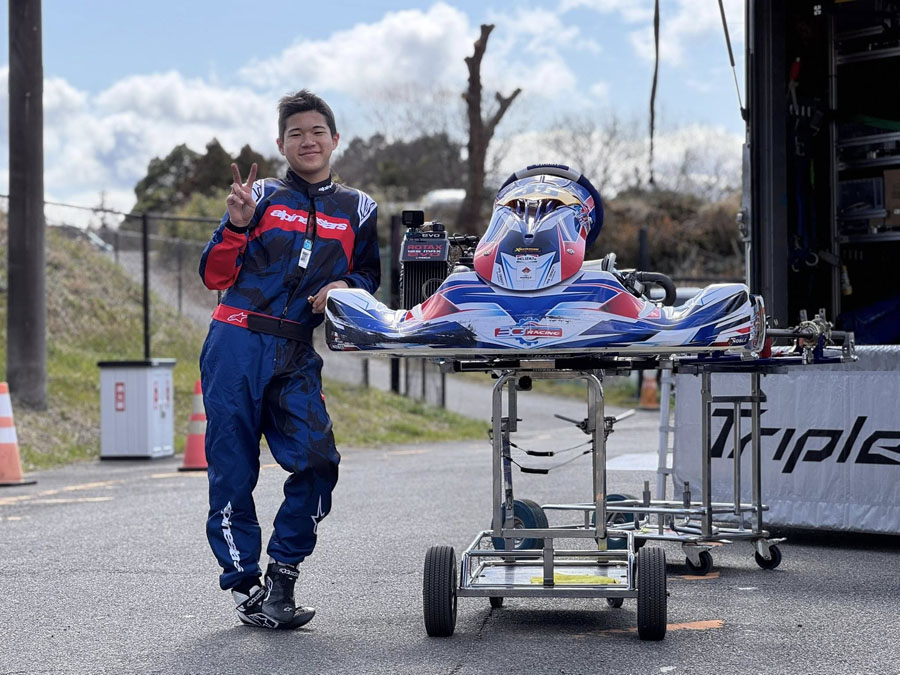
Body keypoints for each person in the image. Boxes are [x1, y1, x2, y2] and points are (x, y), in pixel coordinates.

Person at [198, 89, 380, 629]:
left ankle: (283, 573)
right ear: (281, 144)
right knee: (234, 468)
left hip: (297, 348)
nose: (308, 141)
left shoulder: (359, 208)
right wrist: (236, 225)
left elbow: (369, 274)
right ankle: (244, 586)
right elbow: (213, 274)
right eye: (295, 133)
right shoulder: (258, 194)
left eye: (317, 131)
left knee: (319, 460)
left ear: (334, 139)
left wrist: (345, 285)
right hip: (236, 341)